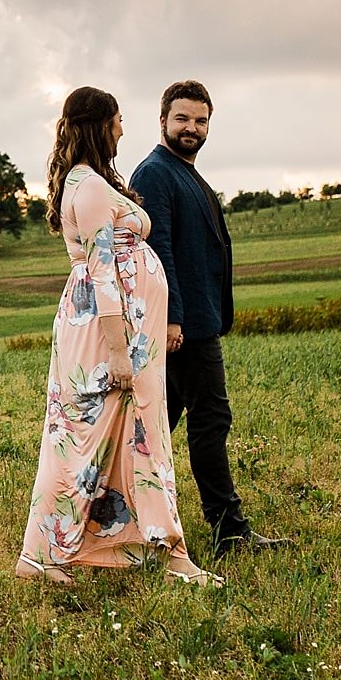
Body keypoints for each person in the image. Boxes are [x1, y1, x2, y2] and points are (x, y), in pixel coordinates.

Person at [15, 86, 223, 587]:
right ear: (98, 125)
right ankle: (42, 556)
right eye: (118, 120)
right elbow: (102, 274)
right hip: (109, 336)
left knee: (130, 437)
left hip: (130, 334)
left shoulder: (94, 182)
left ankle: (158, 549)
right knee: (81, 440)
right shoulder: (86, 188)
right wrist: (119, 353)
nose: (123, 129)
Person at [131, 80, 290, 560]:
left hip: (196, 319)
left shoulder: (183, 171)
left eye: (200, 121)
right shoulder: (156, 174)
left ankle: (115, 514)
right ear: (162, 121)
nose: (191, 129)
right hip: (185, 328)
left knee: (156, 425)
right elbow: (158, 253)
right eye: (182, 119)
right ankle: (229, 531)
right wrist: (173, 319)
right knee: (211, 419)